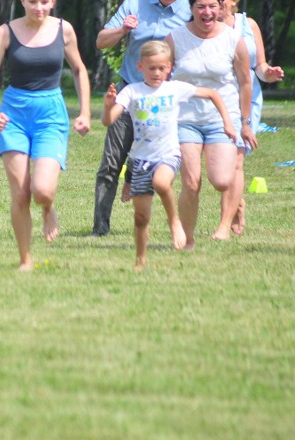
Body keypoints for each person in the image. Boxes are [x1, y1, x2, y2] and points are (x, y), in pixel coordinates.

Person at [0, 0, 92, 271]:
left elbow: (79, 70)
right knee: (20, 192)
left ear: (53, 1)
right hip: (13, 114)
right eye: (32, 1)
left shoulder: (64, 30)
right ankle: (25, 259)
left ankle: (48, 207)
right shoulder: (6, 33)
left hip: (50, 114)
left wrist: (84, 112)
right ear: (22, 1)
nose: (38, 8)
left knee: (41, 190)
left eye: (44, 2)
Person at [101, 40, 237, 270]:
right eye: (151, 67)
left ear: (169, 68)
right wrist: (107, 106)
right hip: (142, 159)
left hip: (168, 154)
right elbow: (108, 120)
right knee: (141, 218)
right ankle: (140, 259)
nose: (156, 73)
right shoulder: (132, 91)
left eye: (161, 68)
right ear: (140, 67)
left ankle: (175, 222)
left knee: (162, 183)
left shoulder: (174, 89)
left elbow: (213, 94)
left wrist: (228, 123)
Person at [92, 0, 191, 236]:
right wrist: (122, 30)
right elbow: (101, 41)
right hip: (131, 91)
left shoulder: (191, 10)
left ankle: (176, 221)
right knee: (111, 162)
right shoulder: (135, 2)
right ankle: (100, 228)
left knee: (159, 160)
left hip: (166, 99)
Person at [166, 0, 256, 247]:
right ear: (191, 8)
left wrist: (245, 123)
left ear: (221, 7)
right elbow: (160, 74)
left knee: (221, 180)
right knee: (191, 182)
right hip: (185, 119)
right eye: (200, 6)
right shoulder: (175, 38)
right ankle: (187, 237)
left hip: (222, 119)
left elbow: (245, 83)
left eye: (212, 6)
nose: (207, 12)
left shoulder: (232, 40)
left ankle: (225, 225)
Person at [205, 0, 285, 235]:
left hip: (246, 96)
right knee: (219, 162)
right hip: (215, 95)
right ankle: (237, 202)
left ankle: (224, 224)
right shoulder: (202, 24)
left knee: (237, 159)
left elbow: (259, 66)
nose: (215, 2)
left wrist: (268, 73)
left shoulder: (248, 25)